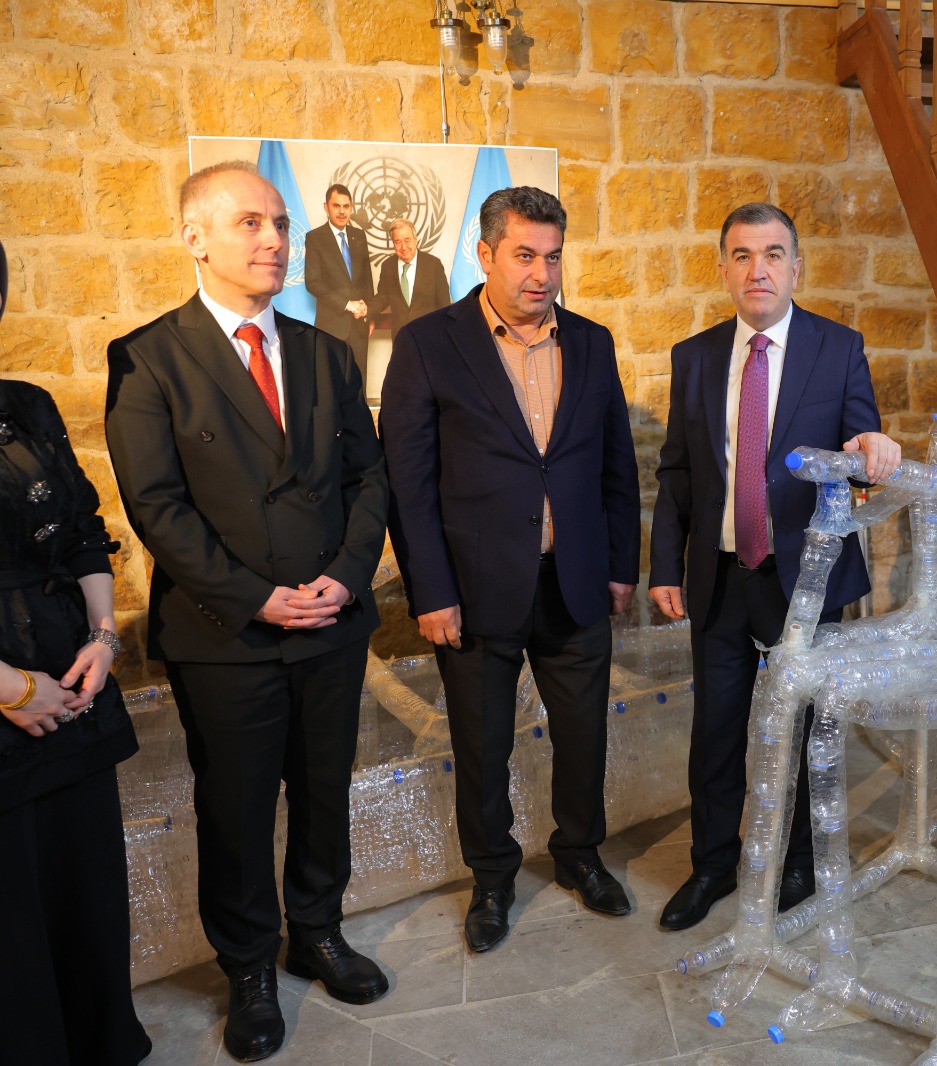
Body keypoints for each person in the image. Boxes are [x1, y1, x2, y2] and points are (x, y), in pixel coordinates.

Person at [105, 161, 391, 1062]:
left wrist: (347, 576)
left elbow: (369, 478)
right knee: (235, 811)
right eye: (250, 223)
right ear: (195, 238)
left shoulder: (325, 352)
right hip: (226, 633)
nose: (274, 240)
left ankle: (318, 932)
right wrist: (256, 596)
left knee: (324, 791)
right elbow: (156, 507)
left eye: (280, 223)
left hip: (331, 621)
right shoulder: (149, 356)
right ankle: (249, 968)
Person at [381, 186, 641, 952]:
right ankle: (491, 879)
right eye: (525, 255)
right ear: (485, 253)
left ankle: (579, 854)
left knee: (584, 736)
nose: (542, 274)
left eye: (553, 257)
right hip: (474, 592)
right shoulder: (428, 344)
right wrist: (431, 591)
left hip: (575, 581)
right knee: (482, 747)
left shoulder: (591, 342)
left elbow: (616, 465)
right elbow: (408, 484)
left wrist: (620, 565)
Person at [649, 203, 902, 931]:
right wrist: (665, 564)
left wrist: (873, 446)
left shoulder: (838, 348)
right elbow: (678, 472)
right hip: (721, 575)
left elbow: (860, 445)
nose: (757, 269)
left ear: (796, 267)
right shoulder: (695, 357)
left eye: (772, 254)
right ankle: (711, 864)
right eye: (741, 255)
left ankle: (800, 859)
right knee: (716, 730)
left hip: (808, 580)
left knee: (810, 727)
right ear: (723, 269)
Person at [0, 242, 152, 1065]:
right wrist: (8, 688)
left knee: (82, 884)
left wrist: (102, 638)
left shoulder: (26, 405)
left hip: (70, 682)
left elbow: (86, 533)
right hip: (10, 700)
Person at [304, 182, 375, 390]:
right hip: (331, 326)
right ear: (326, 207)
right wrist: (347, 304)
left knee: (359, 383)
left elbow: (367, 280)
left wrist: (369, 313)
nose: (342, 211)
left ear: (351, 208)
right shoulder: (315, 238)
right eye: (336, 206)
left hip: (359, 325)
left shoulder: (359, 236)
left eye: (346, 206)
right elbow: (313, 282)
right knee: (331, 385)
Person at [372, 219, 450, 334]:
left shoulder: (434, 265)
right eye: (398, 242)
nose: (403, 247)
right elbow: (382, 298)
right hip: (401, 336)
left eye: (407, 240)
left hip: (430, 335)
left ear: (415, 240)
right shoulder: (387, 266)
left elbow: (444, 305)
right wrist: (365, 311)